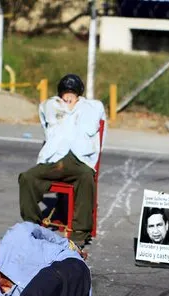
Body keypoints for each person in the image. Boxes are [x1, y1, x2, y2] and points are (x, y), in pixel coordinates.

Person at [18, 73, 106, 247]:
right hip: (53, 160)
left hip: (79, 160)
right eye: (65, 93)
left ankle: (79, 234)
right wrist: (63, 107)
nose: (68, 97)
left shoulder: (91, 107)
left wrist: (75, 106)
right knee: (27, 178)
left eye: (72, 93)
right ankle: (31, 226)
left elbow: (99, 116)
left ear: (79, 94)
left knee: (86, 178)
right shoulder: (51, 106)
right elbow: (45, 117)